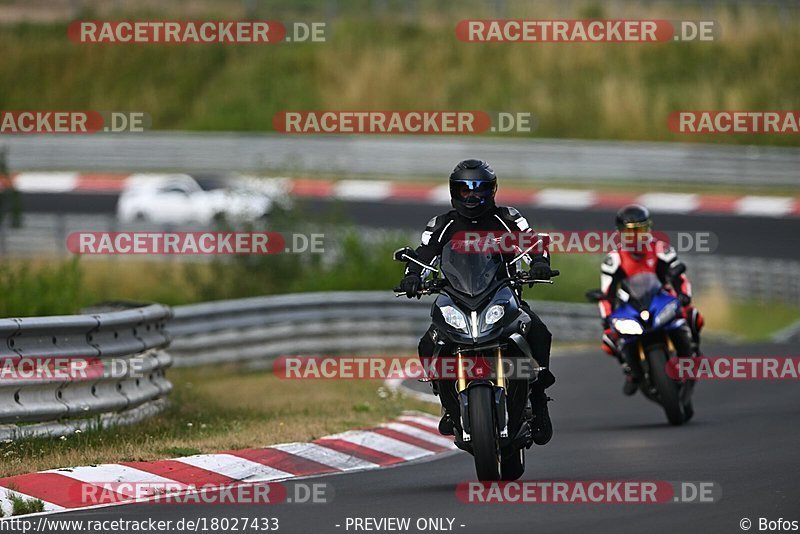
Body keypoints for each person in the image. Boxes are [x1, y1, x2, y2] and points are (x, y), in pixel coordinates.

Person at [397, 159, 555, 445]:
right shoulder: (442, 224)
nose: (471, 197)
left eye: (478, 190)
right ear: (453, 192)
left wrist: (541, 263)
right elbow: (422, 253)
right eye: (465, 190)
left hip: (503, 294)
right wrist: (412, 276)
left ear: (491, 191)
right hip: (455, 297)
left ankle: (539, 397)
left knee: (540, 331)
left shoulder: (507, 217)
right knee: (428, 343)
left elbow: (532, 242)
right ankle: (446, 402)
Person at [598, 204, 704, 397]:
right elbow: (606, 294)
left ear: (649, 229)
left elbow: (680, 277)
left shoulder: (661, 249)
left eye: (641, 229)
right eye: (631, 232)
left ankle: (694, 352)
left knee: (693, 315)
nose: (637, 236)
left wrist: (684, 295)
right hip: (632, 305)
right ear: (621, 233)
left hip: (662, 297)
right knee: (609, 340)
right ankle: (630, 371)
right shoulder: (613, 259)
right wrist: (607, 319)